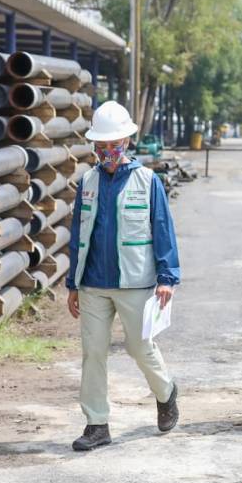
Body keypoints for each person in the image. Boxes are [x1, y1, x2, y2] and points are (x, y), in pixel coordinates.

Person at [65, 101, 181, 452]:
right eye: (100, 147)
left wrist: (167, 277)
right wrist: (73, 283)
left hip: (135, 282)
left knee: (139, 346)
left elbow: (162, 229)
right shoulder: (87, 181)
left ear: (127, 143)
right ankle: (97, 424)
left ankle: (166, 392)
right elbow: (78, 233)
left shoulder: (148, 181)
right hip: (93, 285)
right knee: (93, 353)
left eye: (112, 146)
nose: (106, 153)